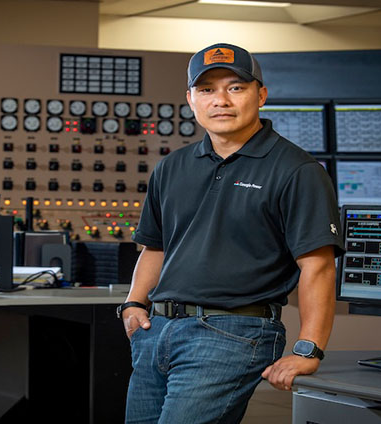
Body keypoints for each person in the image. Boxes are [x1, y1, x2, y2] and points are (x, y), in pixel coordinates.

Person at [117, 43, 345, 423]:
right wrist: (134, 304)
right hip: (158, 331)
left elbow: (317, 267)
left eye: (235, 87)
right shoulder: (172, 167)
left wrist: (309, 349)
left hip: (233, 333)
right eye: (207, 90)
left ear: (261, 95)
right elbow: (154, 248)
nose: (220, 100)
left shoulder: (297, 171)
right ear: (190, 99)